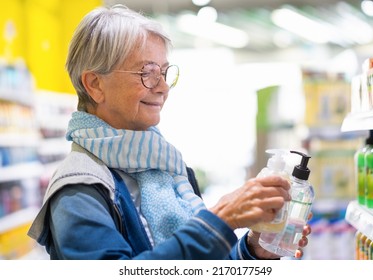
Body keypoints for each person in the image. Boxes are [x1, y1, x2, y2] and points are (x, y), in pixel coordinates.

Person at [28, 4, 311, 260]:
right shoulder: (79, 189)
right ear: (95, 85)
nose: (163, 86)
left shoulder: (167, 166)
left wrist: (252, 250)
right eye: (147, 72)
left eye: (165, 72)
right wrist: (220, 221)